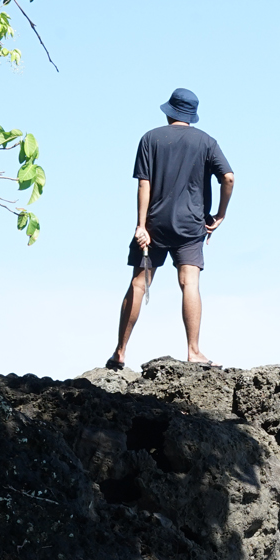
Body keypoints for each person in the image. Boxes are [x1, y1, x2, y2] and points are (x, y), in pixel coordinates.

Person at [109, 88, 234, 370]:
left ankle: (120, 352)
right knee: (189, 283)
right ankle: (193, 351)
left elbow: (144, 183)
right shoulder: (207, 142)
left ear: (169, 112)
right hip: (192, 223)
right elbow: (228, 177)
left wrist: (141, 225)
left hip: (153, 223)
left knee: (139, 284)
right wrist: (220, 215)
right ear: (192, 115)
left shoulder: (150, 138)